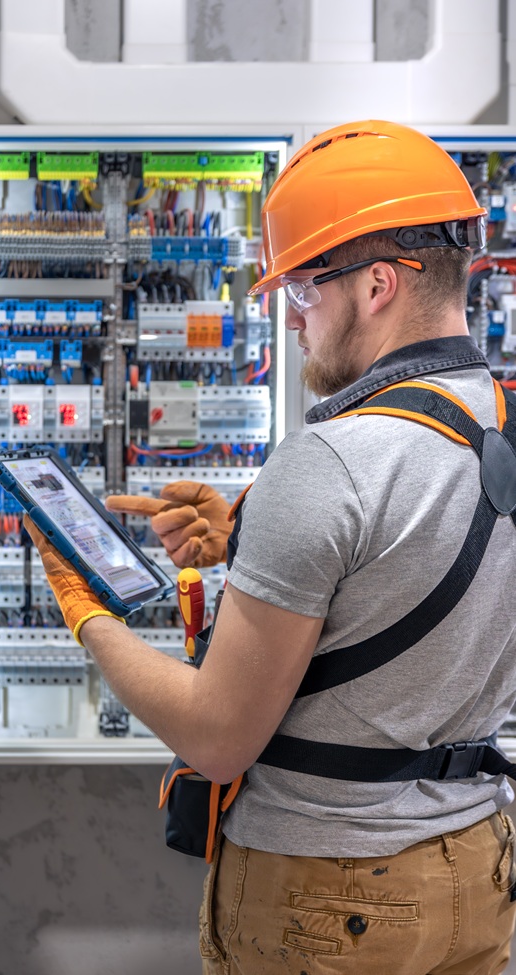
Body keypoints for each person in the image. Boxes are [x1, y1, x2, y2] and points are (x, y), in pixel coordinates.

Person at [26, 120, 516, 974]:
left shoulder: (326, 462)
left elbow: (216, 738)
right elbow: (405, 569)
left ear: (376, 286)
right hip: (476, 867)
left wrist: (87, 611)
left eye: (301, 290)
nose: (292, 322)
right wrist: (249, 536)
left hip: (329, 901)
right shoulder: (498, 420)